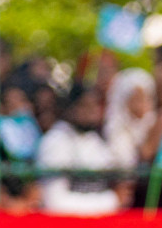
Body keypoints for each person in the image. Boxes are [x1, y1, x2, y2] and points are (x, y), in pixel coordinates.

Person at [37, 84, 127, 216]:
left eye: (95, 105)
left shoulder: (95, 139)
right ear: (70, 108)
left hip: (96, 225)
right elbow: (54, 202)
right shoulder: (55, 142)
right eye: (85, 105)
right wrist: (111, 201)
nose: (92, 111)